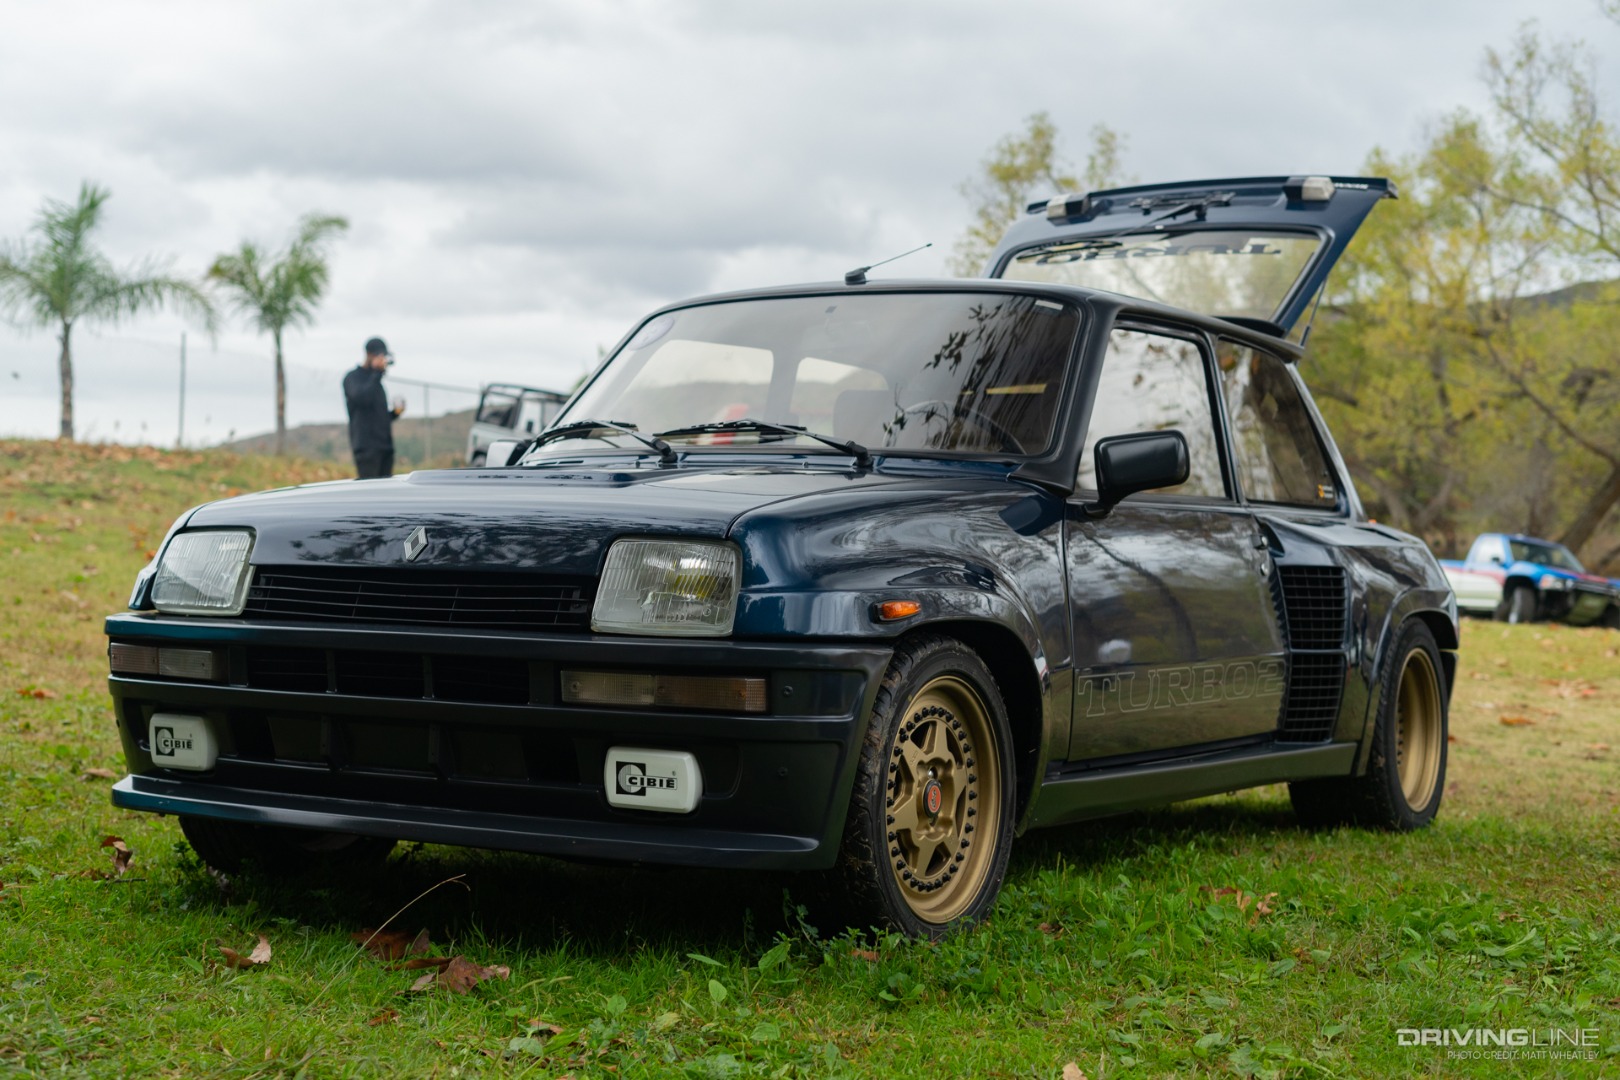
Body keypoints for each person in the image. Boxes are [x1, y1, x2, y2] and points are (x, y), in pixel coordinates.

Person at [343, 337, 405, 479]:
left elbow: (379, 416)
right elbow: (361, 398)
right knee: (370, 493)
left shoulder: (377, 383)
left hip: (385, 448)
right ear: (370, 355)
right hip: (366, 448)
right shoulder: (353, 378)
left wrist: (395, 413)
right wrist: (376, 373)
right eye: (380, 356)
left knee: (385, 493)